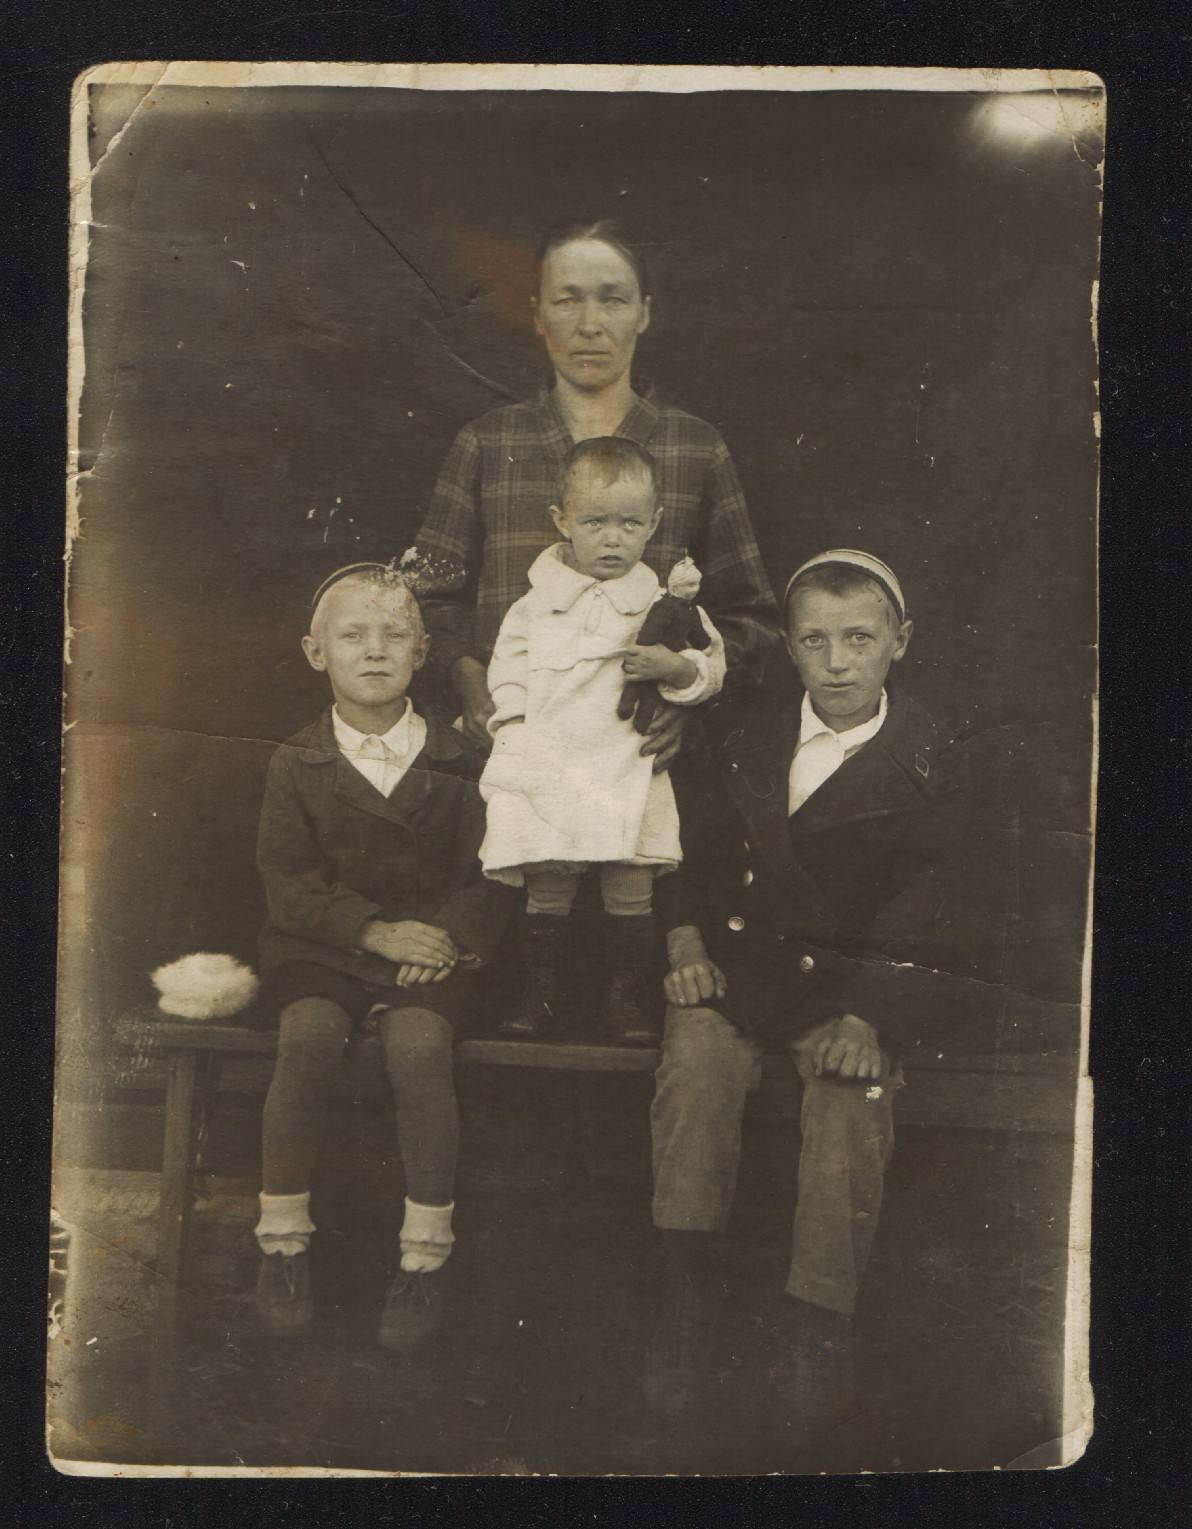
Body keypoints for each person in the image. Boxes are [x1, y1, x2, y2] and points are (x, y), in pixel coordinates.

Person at [644, 549, 974, 1429]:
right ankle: (683, 1308)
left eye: (859, 639)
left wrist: (870, 1013)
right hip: (737, 967)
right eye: (815, 641)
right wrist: (683, 938)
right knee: (695, 1067)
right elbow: (682, 845)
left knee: (848, 1101)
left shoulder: (934, 757)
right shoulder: (741, 731)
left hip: (846, 992)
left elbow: (930, 900)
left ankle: (818, 1325)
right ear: (788, 647)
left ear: (900, 641)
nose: (837, 663)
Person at [252, 564, 510, 1348]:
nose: (374, 650)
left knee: (419, 1044)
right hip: (329, 946)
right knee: (307, 1034)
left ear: (422, 652)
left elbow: (494, 868)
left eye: (395, 634)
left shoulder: (464, 759)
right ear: (315, 652)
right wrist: (371, 931)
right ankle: (282, 1243)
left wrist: (448, 937)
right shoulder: (296, 760)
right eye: (352, 634)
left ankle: (425, 1254)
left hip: (433, 951)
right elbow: (290, 886)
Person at [411, 217, 779, 765]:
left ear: (644, 312)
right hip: (509, 750)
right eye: (567, 300)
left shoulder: (695, 447)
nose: (590, 325)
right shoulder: (488, 442)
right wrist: (465, 676)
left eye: (613, 300)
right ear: (537, 313)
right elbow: (426, 596)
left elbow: (750, 619)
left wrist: (686, 694)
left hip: (637, 758)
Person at [479, 437, 725, 1045]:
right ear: (561, 521)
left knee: (629, 882)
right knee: (549, 880)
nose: (613, 539)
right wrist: (514, 728)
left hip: (625, 763)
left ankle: (626, 997)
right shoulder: (534, 607)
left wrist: (675, 669)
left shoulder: (662, 604)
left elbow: (709, 666)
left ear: (654, 524)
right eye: (595, 523)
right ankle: (540, 992)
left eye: (630, 524)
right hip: (553, 765)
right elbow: (508, 672)